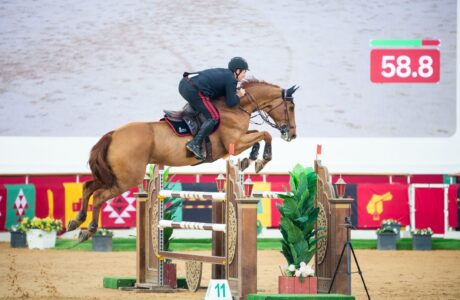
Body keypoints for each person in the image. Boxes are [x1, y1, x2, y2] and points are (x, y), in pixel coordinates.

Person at [178, 56, 249, 160]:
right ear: (237, 71)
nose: (244, 75)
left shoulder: (226, 74)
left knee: (206, 106)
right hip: (192, 89)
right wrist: (239, 95)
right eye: (244, 72)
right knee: (214, 116)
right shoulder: (231, 79)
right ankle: (195, 143)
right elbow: (231, 103)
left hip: (184, 84)